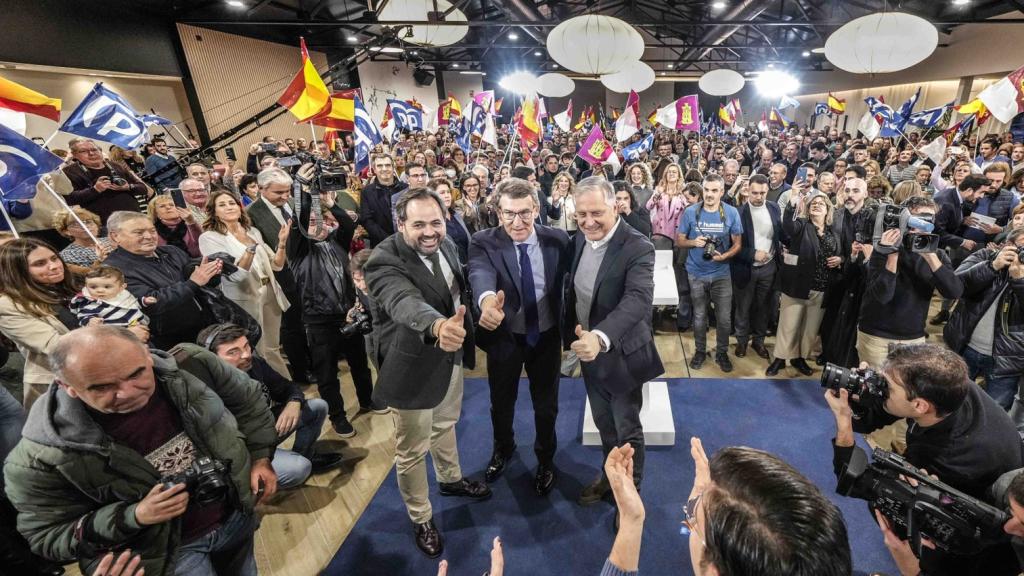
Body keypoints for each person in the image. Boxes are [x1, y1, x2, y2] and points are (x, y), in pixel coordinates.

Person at [3, 326, 278, 576]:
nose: (127, 392)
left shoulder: (191, 364)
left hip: (234, 516)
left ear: (148, 356)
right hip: (166, 556)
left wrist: (260, 457)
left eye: (136, 374)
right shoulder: (37, 459)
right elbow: (45, 535)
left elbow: (248, 400)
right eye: (102, 387)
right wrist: (132, 515)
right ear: (67, 387)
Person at [364, 187, 491, 558]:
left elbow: (458, 286)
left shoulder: (447, 243)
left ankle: (450, 480)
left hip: (450, 358)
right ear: (400, 224)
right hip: (412, 366)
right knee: (412, 450)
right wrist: (437, 327)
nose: (429, 231)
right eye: (418, 224)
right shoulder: (383, 259)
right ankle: (421, 517)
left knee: (445, 424)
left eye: (436, 222)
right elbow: (403, 300)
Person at [826, 343, 1023, 575]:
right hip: (999, 493)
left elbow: (857, 481)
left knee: (887, 503)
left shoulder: (943, 458)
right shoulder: (950, 386)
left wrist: (844, 422)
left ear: (920, 405)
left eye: (886, 387)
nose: (879, 388)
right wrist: (862, 399)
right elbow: (887, 411)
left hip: (972, 536)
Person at [563, 177, 663, 507]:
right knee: (604, 426)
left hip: (620, 355)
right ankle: (609, 478)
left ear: (615, 206)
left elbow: (637, 300)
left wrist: (601, 337)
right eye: (581, 215)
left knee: (627, 431)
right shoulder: (579, 239)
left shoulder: (638, 246)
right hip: (589, 355)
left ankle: (629, 498)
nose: (589, 222)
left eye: (596, 213)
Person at [468, 177, 571, 495]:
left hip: (546, 336)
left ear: (537, 209)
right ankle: (503, 449)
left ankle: (545, 459)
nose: (517, 221)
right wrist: (486, 302)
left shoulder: (559, 240)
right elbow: (479, 273)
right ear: (498, 212)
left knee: (546, 405)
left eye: (525, 212)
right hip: (504, 336)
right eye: (509, 213)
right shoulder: (482, 241)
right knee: (501, 402)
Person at [285, 166, 383, 437]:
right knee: (327, 373)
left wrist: (330, 202)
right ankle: (338, 417)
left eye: (322, 219)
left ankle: (368, 400)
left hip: (349, 312)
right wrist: (301, 189)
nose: (317, 224)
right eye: (311, 221)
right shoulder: (299, 249)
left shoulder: (335, 241)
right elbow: (301, 218)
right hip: (318, 320)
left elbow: (350, 225)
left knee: (359, 363)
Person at [198, 323, 343, 489]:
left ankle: (303, 455)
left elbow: (287, 387)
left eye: (246, 346)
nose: (246, 354)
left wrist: (294, 401)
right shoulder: (206, 393)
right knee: (299, 469)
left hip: (262, 429)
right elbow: (226, 448)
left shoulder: (254, 364)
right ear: (211, 359)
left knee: (317, 407)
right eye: (233, 352)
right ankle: (251, 484)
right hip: (243, 452)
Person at [198, 190, 291, 377]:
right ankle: (272, 391)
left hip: (270, 291)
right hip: (243, 297)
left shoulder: (252, 231)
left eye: (232, 203)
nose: (229, 207)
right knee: (257, 348)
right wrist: (249, 249)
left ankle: (286, 387)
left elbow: (277, 265)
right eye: (222, 205)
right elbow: (236, 275)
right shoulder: (209, 238)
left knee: (272, 347)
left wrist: (281, 243)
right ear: (214, 212)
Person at [104, 211, 223, 350]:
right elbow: (153, 303)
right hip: (173, 343)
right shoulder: (112, 271)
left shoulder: (172, 251)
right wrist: (193, 283)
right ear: (115, 236)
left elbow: (202, 285)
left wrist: (212, 273)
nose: (149, 236)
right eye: (139, 232)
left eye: (152, 230)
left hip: (209, 328)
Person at [246, 167, 314, 383]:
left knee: (307, 322)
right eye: (279, 193)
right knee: (291, 326)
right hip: (281, 277)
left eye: (287, 192)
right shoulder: (251, 214)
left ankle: (314, 362)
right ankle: (302, 370)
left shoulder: (290, 203)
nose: (285, 197)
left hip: (305, 270)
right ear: (261, 189)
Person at [943, 228, 1024, 410]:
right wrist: (992, 266)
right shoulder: (985, 255)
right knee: (948, 402)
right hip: (964, 346)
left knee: (993, 412)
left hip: (1007, 360)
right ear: (1009, 245)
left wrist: (1019, 280)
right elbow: (956, 286)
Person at [767, 190, 840, 376]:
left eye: (821, 204)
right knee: (788, 325)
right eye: (813, 204)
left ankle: (799, 358)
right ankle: (780, 359)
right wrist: (792, 203)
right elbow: (787, 226)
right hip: (797, 287)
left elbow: (842, 253)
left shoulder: (834, 232)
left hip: (822, 289)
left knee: (809, 330)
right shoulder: (801, 226)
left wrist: (842, 259)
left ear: (827, 210)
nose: (816, 205)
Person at [677, 174, 743, 372]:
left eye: (714, 190)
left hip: (721, 273)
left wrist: (725, 256)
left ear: (722, 192)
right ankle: (699, 351)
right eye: (706, 190)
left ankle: (721, 353)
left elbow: (738, 243)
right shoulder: (690, 212)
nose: (710, 194)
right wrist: (693, 242)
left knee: (723, 318)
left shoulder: (731, 212)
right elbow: (679, 240)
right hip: (696, 272)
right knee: (699, 316)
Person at [0, 238, 77, 406]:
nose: (54, 265)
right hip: (61, 384)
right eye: (40, 263)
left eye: (54, 258)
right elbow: (55, 346)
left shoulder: (68, 287)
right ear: (18, 271)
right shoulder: (8, 305)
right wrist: (116, 336)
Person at [730, 174, 780, 362]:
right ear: (747, 191)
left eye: (763, 193)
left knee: (763, 307)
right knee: (743, 307)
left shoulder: (774, 208)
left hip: (769, 267)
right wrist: (752, 254)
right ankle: (742, 341)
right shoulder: (738, 212)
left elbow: (780, 235)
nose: (759, 197)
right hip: (746, 268)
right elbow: (732, 245)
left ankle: (759, 341)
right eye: (755, 193)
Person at [63, 138, 150, 225]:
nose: (91, 153)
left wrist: (128, 187)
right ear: (74, 155)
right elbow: (70, 199)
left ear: (100, 151)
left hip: (135, 216)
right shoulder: (69, 172)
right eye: (83, 151)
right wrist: (95, 190)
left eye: (94, 149)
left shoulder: (115, 166)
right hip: (107, 225)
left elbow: (143, 188)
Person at [69, 265, 151, 336]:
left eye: (107, 287)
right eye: (93, 287)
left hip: (139, 326)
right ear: (86, 287)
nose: (100, 290)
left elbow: (132, 302)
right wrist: (91, 321)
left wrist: (145, 301)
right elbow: (84, 316)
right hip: (119, 336)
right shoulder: (89, 303)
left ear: (121, 287)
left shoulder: (122, 294)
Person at [359, 154, 408, 246]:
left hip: (406, 240)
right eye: (380, 166)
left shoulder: (406, 188)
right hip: (381, 244)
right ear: (374, 169)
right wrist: (389, 240)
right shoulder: (367, 191)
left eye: (388, 165)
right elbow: (367, 220)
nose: (384, 169)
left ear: (393, 167)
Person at [53, 206, 116, 274]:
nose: (85, 226)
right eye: (76, 224)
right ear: (66, 231)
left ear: (96, 224)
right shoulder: (67, 254)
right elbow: (88, 275)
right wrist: (100, 260)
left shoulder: (113, 240)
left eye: (88, 222)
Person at [430, 177, 472, 263]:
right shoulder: (432, 221)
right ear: (432, 197)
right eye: (442, 193)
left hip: (468, 265)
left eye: (448, 192)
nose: (447, 195)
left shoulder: (456, 215)